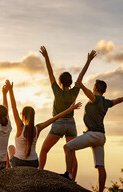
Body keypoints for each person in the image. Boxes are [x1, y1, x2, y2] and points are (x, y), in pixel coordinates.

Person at [63, 79, 123, 192]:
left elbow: (89, 94)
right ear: (104, 90)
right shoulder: (106, 102)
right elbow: (116, 101)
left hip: (92, 134)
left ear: (95, 88)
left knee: (67, 147)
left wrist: (82, 86)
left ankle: (68, 175)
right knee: (100, 165)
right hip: (101, 137)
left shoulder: (96, 99)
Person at [38, 46, 97, 181]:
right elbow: (81, 75)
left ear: (60, 82)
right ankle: (72, 179)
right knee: (72, 153)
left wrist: (46, 57)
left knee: (44, 150)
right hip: (71, 125)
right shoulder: (74, 91)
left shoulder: (57, 91)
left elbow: (50, 73)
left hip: (58, 124)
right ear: (71, 82)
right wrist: (88, 61)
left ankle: (39, 173)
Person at [5, 80, 82, 167]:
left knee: (11, 147)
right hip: (33, 162)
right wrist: (70, 109)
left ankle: (8, 170)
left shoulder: (20, 126)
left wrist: (10, 91)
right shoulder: (38, 128)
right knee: (12, 148)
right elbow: (55, 118)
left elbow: (13, 107)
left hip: (19, 162)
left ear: (23, 115)